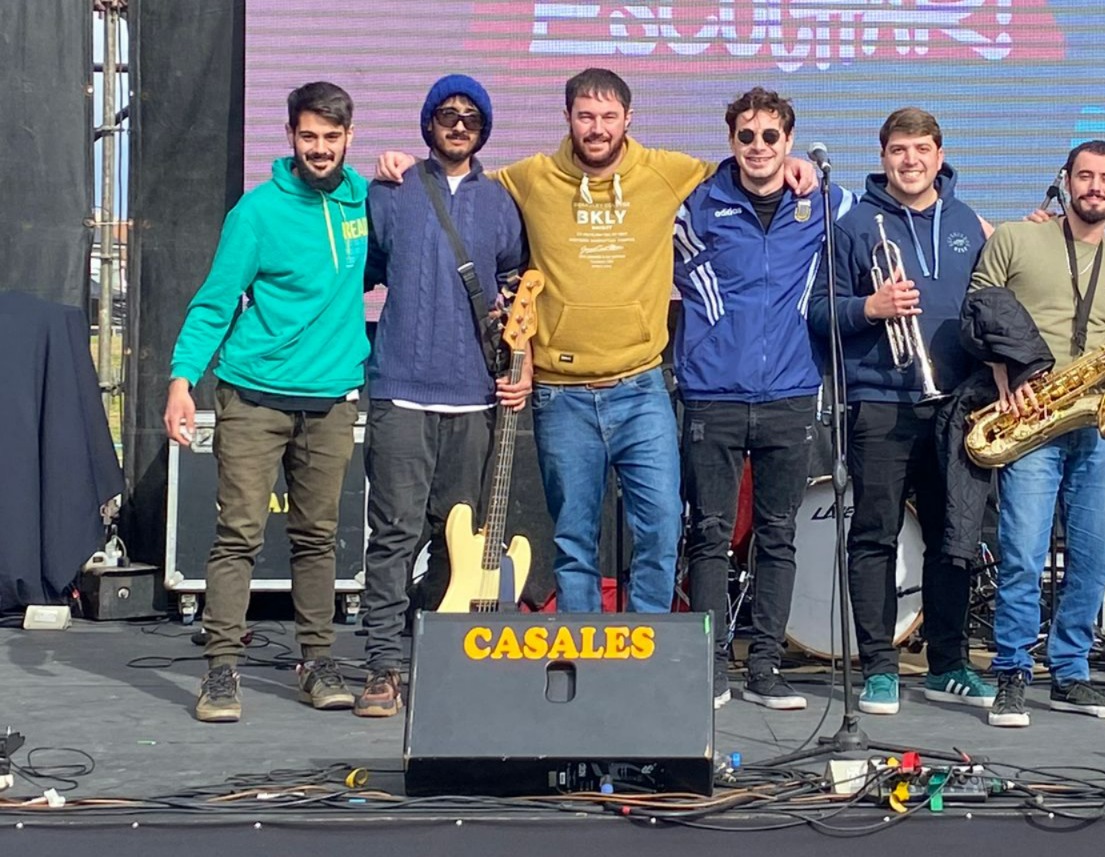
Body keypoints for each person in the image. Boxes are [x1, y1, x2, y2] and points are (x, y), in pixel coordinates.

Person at [378, 69, 814, 615]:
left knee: (660, 528)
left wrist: (792, 164)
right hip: (561, 396)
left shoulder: (666, 172)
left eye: (609, 117)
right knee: (573, 538)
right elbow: (461, 182)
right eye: (586, 116)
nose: (598, 128)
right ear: (568, 118)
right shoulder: (531, 177)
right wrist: (406, 165)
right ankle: (583, 649)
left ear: (629, 119)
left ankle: (649, 648)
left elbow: (746, 169)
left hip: (641, 389)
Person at [165, 82, 369, 723]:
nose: (319, 148)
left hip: (330, 401)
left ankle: (318, 661)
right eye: (308, 136)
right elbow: (214, 302)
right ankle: (221, 669)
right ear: (289, 137)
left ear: (349, 138)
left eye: (331, 137)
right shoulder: (255, 213)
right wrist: (181, 380)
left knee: (318, 538)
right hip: (253, 398)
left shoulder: (364, 203)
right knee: (238, 536)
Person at [808, 107, 994, 716]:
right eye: (898, 150)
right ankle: (879, 668)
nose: (910, 161)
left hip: (955, 408)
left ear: (939, 156)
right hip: (881, 403)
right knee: (874, 536)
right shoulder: (854, 225)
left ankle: (949, 665)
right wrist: (872, 307)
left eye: (920, 149)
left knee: (953, 538)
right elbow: (819, 313)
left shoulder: (967, 223)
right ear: (883, 156)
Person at [355, 74, 531, 718]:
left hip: (475, 397)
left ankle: (437, 660)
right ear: (427, 123)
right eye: (447, 115)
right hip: (401, 390)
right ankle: (382, 666)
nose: (459, 125)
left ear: (484, 130)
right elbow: (358, 271)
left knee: (455, 540)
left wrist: (521, 361)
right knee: (394, 534)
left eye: (471, 117)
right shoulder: (391, 191)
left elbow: (516, 288)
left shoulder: (502, 202)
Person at [674, 87, 851, 710]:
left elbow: (889, 208)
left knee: (778, 536)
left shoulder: (824, 201)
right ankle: (709, 668)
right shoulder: (698, 204)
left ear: (789, 141)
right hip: (713, 394)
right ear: (731, 141)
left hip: (791, 393)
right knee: (710, 536)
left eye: (770, 136)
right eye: (746, 136)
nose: (757, 147)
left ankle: (766, 668)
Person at [969, 140, 1105, 728]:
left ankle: (1070, 672)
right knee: (1023, 554)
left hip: (1094, 423)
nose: (1095, 187)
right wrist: (1006, 377)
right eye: (1085, 175)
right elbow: (979, 311)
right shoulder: (1017, 238)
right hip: (1030, 418)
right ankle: (1013, 672)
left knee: (1094, 559)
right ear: (1065, 180)